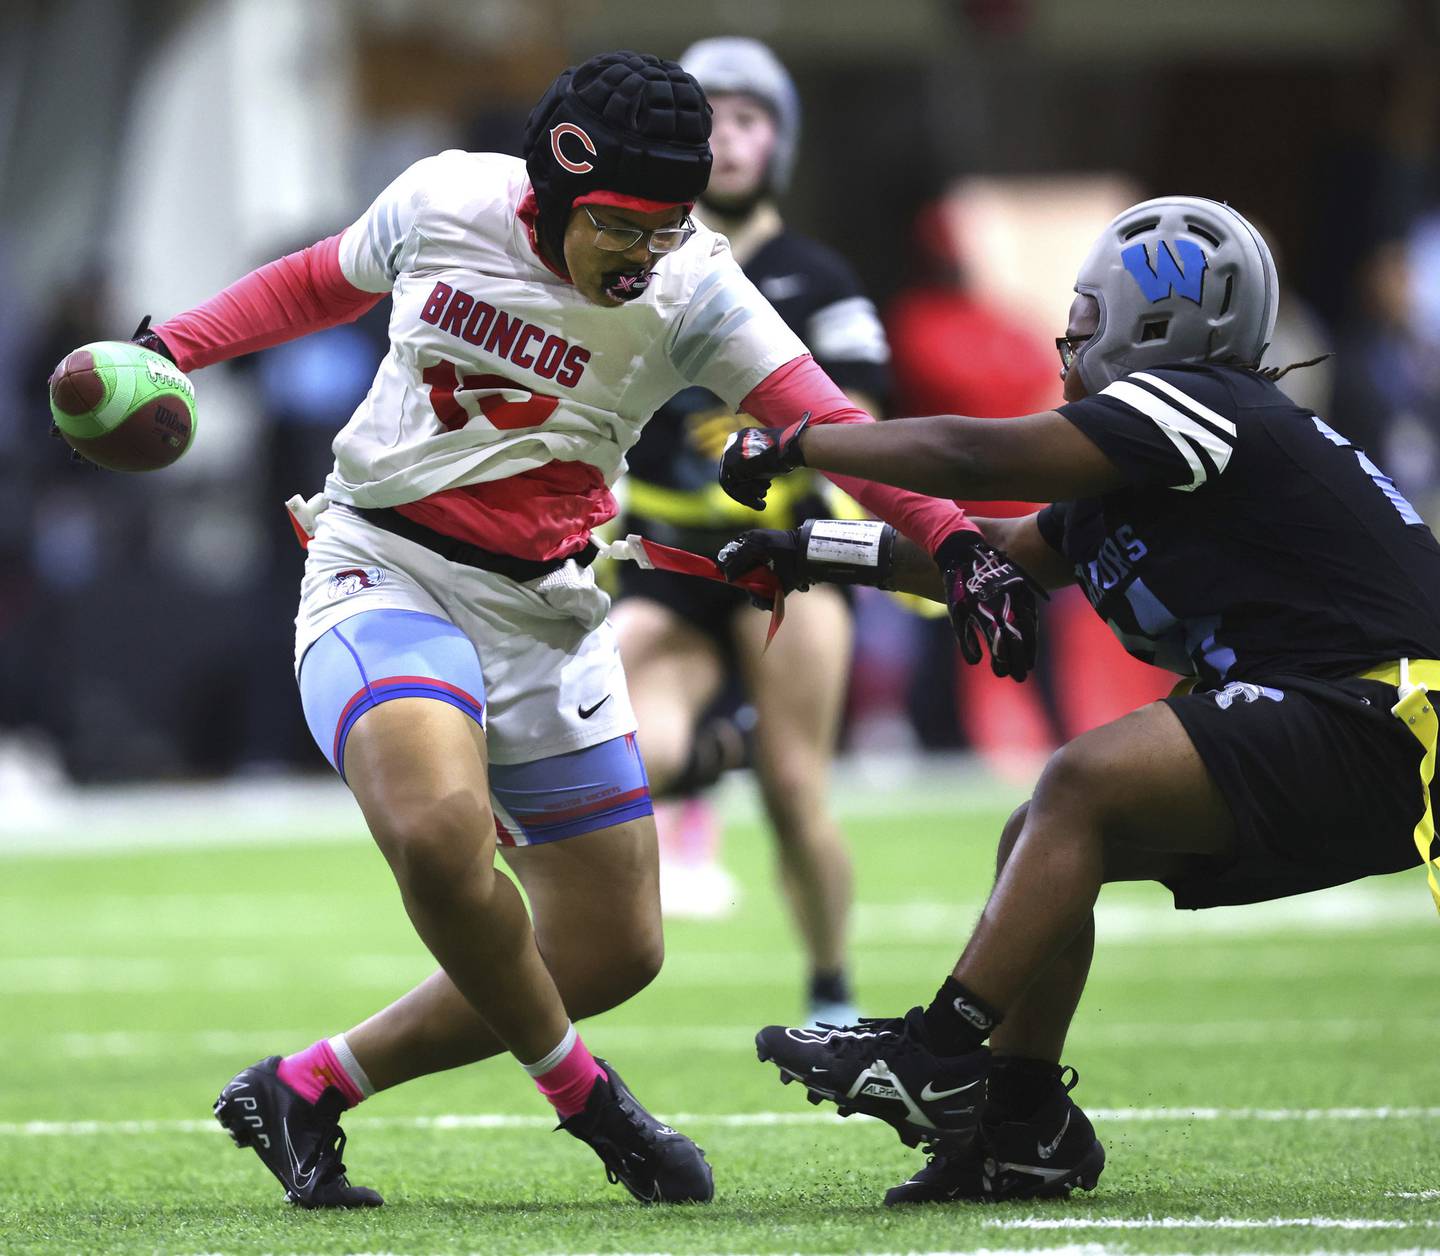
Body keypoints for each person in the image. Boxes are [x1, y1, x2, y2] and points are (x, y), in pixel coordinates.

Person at [122, 51, 1019, 1208]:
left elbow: (833, 422)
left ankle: (306, 1085)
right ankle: (590, 1099)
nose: (646, 253)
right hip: (384, 569)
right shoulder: (446, 198)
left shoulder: (696, 284)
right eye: (623, 225)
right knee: (440, 836)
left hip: (549, 612)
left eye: (668, 225)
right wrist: (171, 348)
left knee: (614, 949)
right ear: (553, 187)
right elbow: (315, 283)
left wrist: (955, 539)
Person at [715, 195, 1440, 1204]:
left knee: (1082, 779)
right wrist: (808, 549)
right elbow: (996, 556)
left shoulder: (1202, 403)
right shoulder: (1151, 458)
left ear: (1157, 322)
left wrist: (803, 442)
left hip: (1388, 714)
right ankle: (1022, 1124)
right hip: (1348, 719)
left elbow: (972, 456)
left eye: (1089, 317)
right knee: (1045, 834)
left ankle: (937, 1053)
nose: (1071, 338)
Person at [612, 37, 889, 1023]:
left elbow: (865, 416)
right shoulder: (633, 263)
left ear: (781, 141)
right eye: (711, 119)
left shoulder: (819, 277)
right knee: (615, 755)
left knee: (794, 786)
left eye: (749, 118)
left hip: (791, 557)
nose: (728, 138)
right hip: (666, 556)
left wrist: (783, 438)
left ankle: (832, 989)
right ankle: (724, 747)